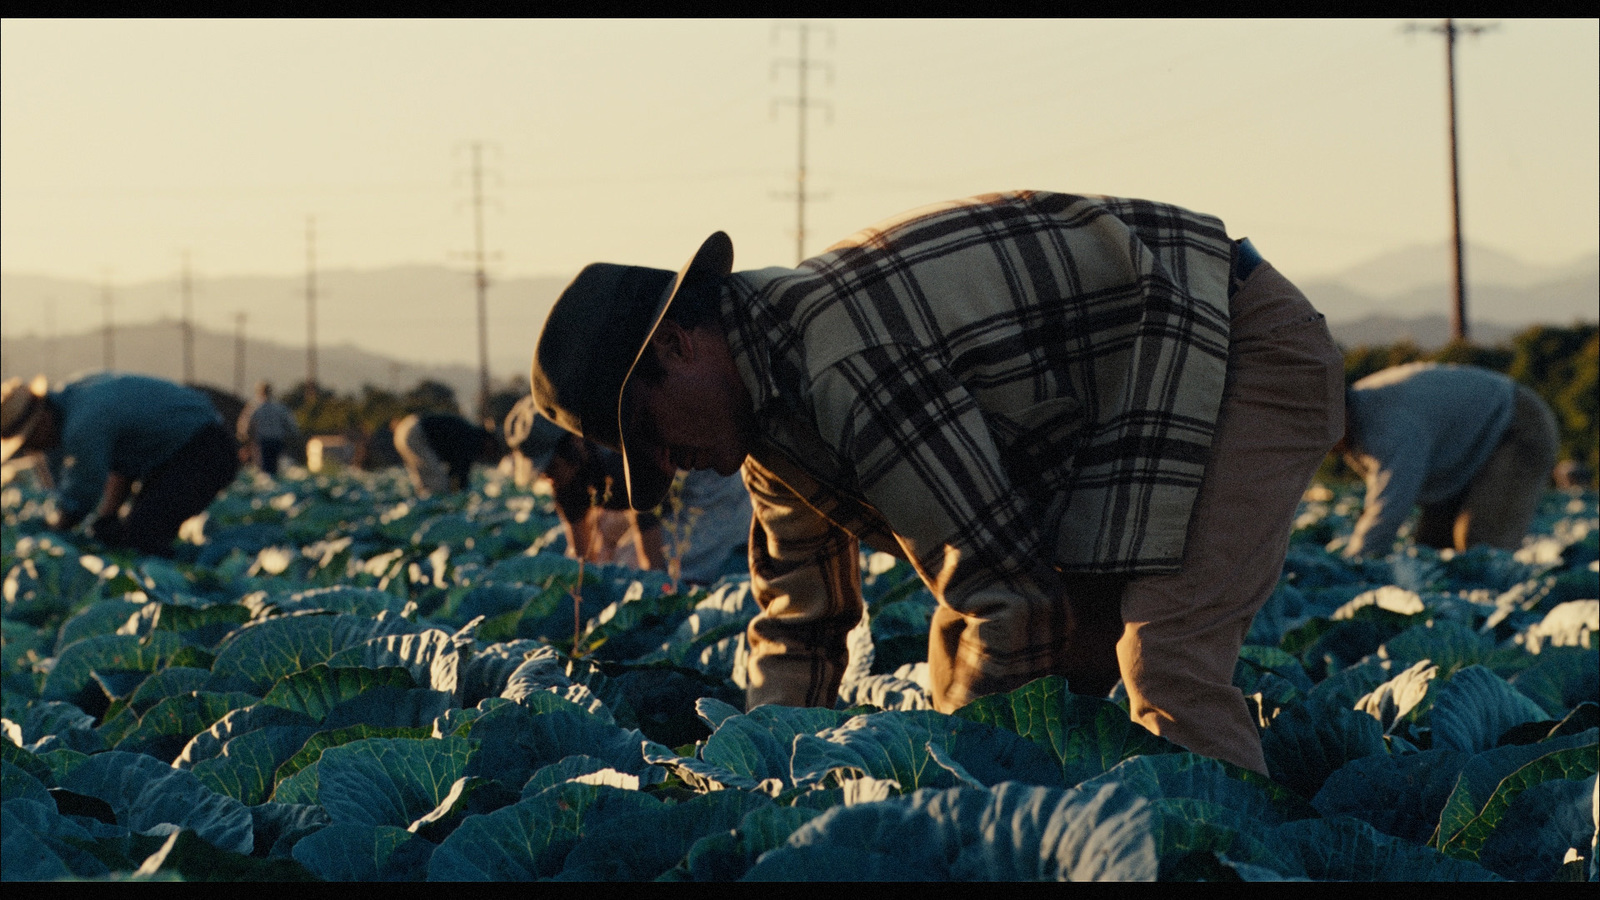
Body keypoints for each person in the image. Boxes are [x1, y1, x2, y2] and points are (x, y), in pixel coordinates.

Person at [530, 191, 1343, 774]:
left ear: (676, 347)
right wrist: (763, 784)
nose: (668, 464)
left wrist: (950, 782)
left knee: (1165, 661)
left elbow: (1013, 600)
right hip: (1126, 404)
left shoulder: (843, 360)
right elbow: (801, 625)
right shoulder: (766, 424)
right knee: (985, 661)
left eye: (649, 433)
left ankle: (1231, 857)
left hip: (1235, 344)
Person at [0, 372, 241, 557]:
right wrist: (108, 516)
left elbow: (82, 490)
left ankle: (189, 595)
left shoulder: (82, 424)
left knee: (143, 537)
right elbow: (122, 466)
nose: (34, 449)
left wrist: (55, 528)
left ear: (42, 419)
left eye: (30, 439)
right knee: (131, 531)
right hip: (180, 450)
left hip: (205, 449)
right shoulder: (76, 393)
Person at [1337, 362, 1560, 558]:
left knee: (1482, 548)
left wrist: (1355, 564)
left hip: (1515, 426)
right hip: (1464, 453)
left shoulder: (1387, 425)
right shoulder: (1358, 414)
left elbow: (1389, 508)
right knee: (1432, 551)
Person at [392, 411, 502, 498]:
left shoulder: (469, 432)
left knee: (425, 484)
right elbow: (460, 475)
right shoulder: (472, 440)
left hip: (405, 429)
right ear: (489, 441)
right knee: (438, 484)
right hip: (415, 432)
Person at [236, 381, 299, 476]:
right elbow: (291, 426)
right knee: (276, 468)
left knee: (263, 468)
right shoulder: (280, 408)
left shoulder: (254, 407)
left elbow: (245, 426)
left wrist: (244, 439)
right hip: (277, 441)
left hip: (262, 442)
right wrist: (292, 437)